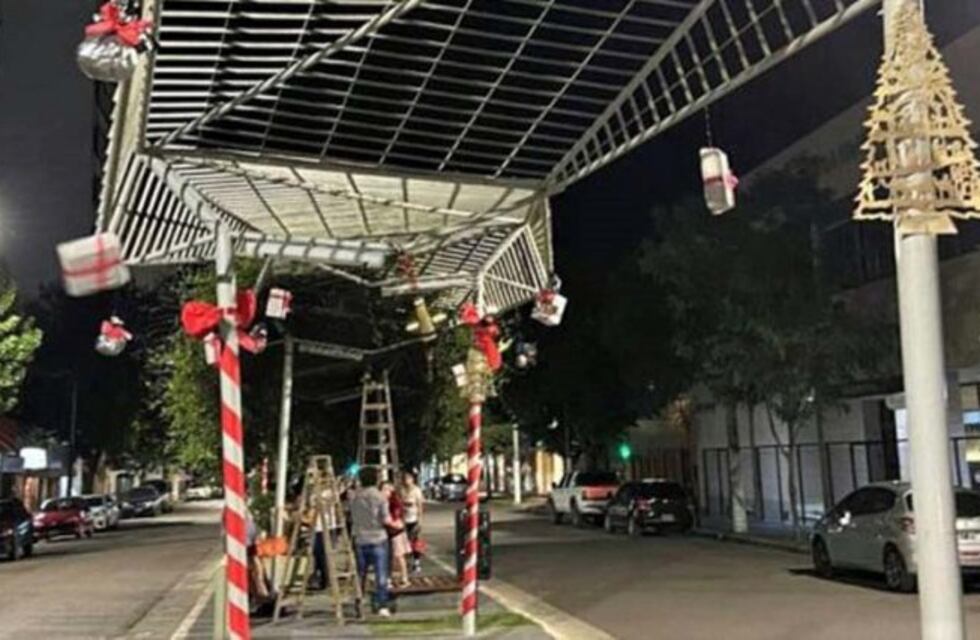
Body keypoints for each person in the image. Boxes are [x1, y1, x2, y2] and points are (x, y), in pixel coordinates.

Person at [350, 468, 393, 617]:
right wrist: (397, 524)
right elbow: (386, 519)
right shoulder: (380, 498)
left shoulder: (355, 497)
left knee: (360, 575)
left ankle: (359, 602)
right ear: (376, 479)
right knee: (381, 575)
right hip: (378, 538)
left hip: (360, 538)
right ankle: (382, 605)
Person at [381, 480, 411, 588]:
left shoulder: (394, 503)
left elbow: (398, 518)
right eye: (384, 489)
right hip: (386, 533)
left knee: (399, 556)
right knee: (387, 557)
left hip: (396, 533)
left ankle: (404, 578)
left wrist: (394, 523)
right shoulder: (381, 502)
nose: (386, 492)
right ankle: (388, 579)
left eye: (388, 489)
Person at [399, 471, 425, 574]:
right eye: (405, 479)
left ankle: (417, 563)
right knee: (405, 542)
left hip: (414, 518)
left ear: (412, 480)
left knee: (416, 542)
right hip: (404, 519)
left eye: (408, 479)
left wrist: (420, 520)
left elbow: (420, 505)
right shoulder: (402, 490)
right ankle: (405, 564)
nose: (406, 481)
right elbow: (400, 503)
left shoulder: (417, 491)